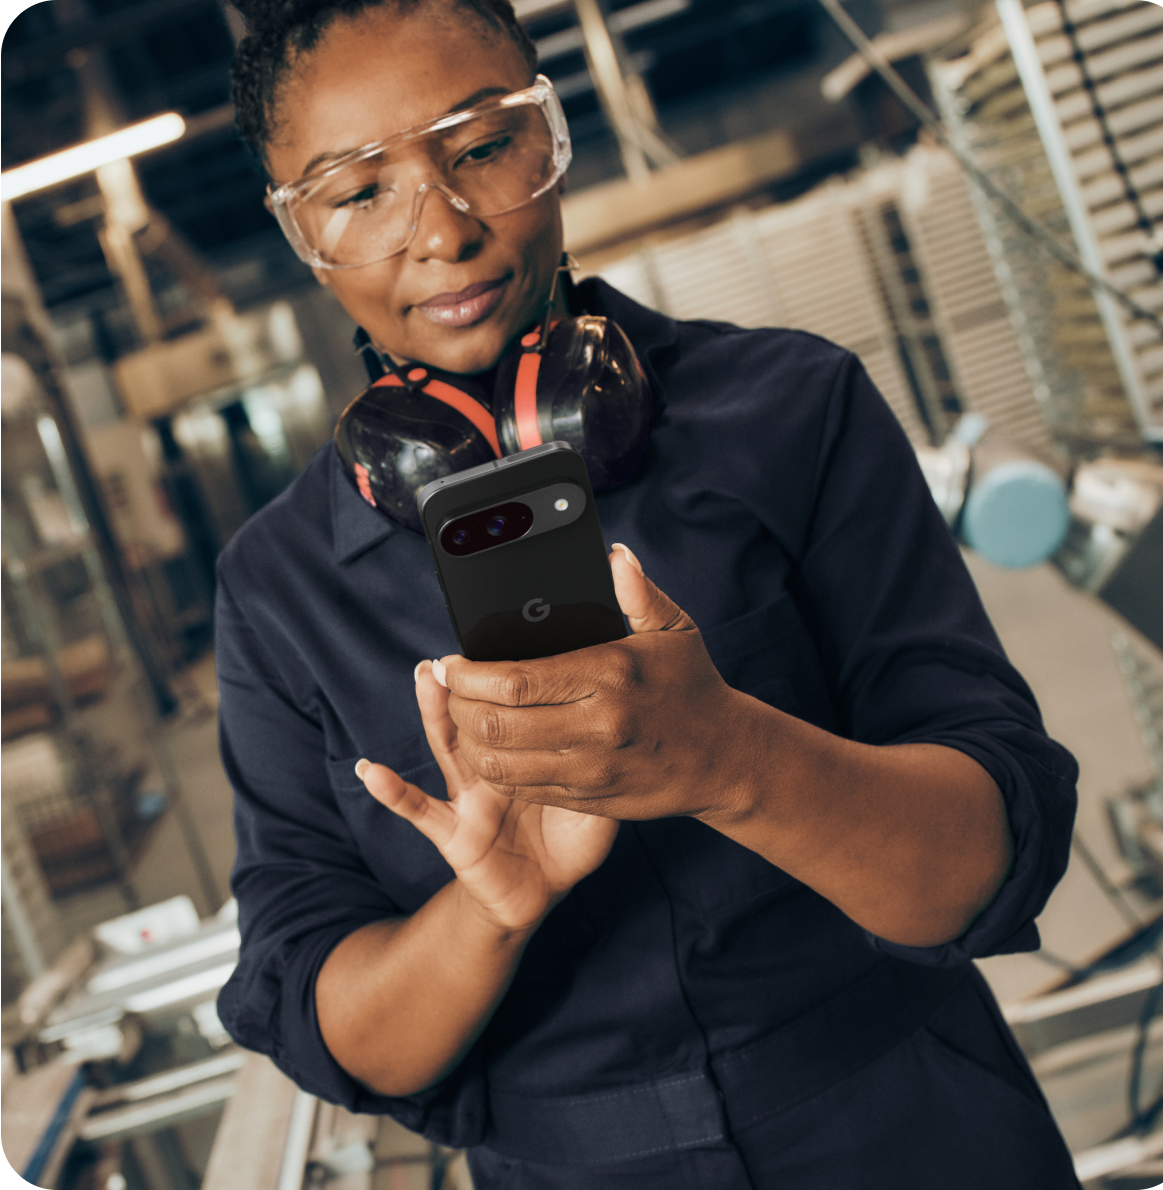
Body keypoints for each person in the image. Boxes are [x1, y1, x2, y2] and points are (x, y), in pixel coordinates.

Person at [215, 2, 1082, 1186]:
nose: (442, 234)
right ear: (299, 231)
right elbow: (334, 1024)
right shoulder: (279, 585)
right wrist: (488, 908)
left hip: (912, 1122)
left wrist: (734, 757)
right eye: (357, 194)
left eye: (479, 148)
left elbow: (986, 856)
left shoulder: (793, 407)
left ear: (550, 133)